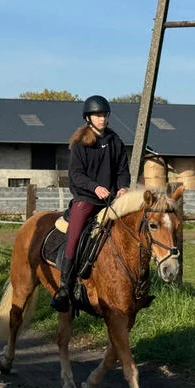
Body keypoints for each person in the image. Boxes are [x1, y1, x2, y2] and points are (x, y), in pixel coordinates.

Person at [50, 95, 130, 313]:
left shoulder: (115, 141)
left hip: (111, 200)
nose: (102, 119)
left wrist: (122, 187)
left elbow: (123, 169)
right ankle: (64, 288)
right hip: (86, 199)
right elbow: (76, 175)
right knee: (74, 236)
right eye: (98, 115)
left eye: (104, 115)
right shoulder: (79, 144)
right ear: (88, 118)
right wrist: (95, 187)